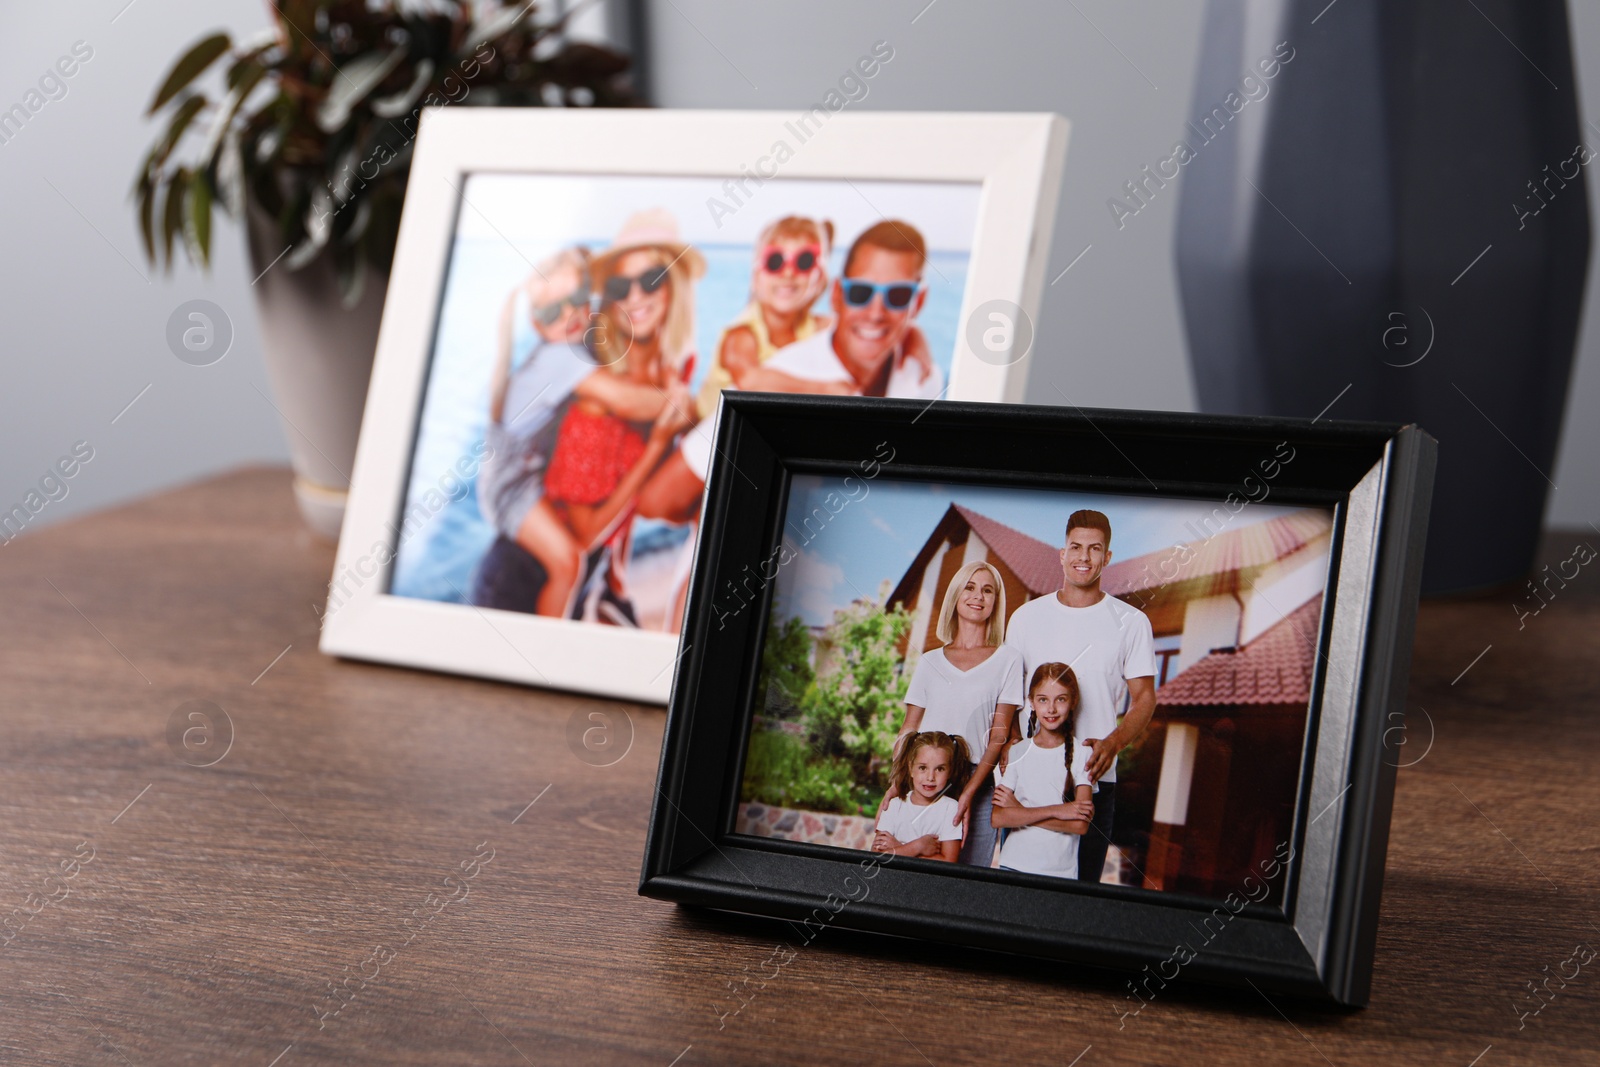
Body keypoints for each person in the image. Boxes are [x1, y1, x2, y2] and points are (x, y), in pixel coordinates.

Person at [476, 247, 692, 618]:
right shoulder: (560, 357)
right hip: (509, 485)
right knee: (568, 563)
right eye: (551, 312)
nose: (568, 315)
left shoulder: (576, 347)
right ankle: (547, 645)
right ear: (537, 326)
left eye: (576, 299)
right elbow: (628, 401)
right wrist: (678, 400)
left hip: (519, 472)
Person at [541, 210, 703, 627]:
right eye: (619, 285)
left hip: (610, 579)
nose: (635, 296)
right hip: (555, 586)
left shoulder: (677, 370)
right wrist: (654, 448)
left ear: (674, 287)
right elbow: (584, 538)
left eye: (650, 279)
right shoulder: (597, 401)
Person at [1003, 510, 1157, 884]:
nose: (1083, 557)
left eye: (1094, 549)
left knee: (1078, 898)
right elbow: (1007, 692)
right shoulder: (1026, 617)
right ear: (1062, 553)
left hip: (1094, 778)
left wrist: (1114, 742)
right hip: (1032, 779)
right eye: (1075, 547)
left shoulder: (1132, 622)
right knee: (1013, 891)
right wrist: (1009, 742)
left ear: (1107, 557)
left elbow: (1146, 698)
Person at [880, 560, 1024, 867]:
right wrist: (896, 782)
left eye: (988, 590)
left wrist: (968, 793)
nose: (978, 596)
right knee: (912, 870)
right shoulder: (930, 660)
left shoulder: (1008, 659)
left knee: (970, 875)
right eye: (970, 588)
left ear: (996, 601)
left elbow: (999, 734)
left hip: (978, 777)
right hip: (924, 778)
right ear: (956, 596)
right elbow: (909, 728)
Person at [991, 663, 1098, 879]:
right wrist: (1059, 810)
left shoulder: (1083, 753)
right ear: (1032, 702)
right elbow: (998, 818)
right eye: (1043, 700)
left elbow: (1080, 825)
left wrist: (1020, 811)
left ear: (1073, 702)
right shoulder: (1018, 751)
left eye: (1061, 699)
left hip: (1060, 873)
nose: (1051, 709)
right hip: (1013, 864)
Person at [872, 731, 971, 863]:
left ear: (950, 772)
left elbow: (948, 862)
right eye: (923, 768)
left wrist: (898, 848)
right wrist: (917, 847)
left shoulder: (951, 809)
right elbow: (876, 857)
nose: (930, 777)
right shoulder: (894, 805)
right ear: (911, 768)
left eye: (940, 769)